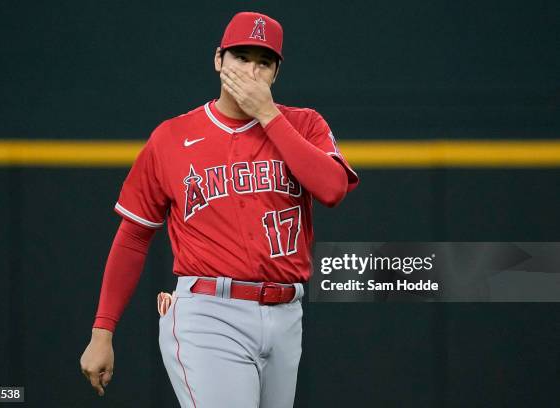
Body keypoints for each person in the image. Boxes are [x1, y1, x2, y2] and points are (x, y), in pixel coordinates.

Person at [80, 11, 359, 407]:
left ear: (276, 72)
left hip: (286, 314)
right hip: (209, 313)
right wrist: (102, 331)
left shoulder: (305, 124)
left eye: (264, 62)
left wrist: (268, 115)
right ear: (218, 60)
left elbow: (332, 189)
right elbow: (134, 235)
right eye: (241, 57)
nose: (251, 70)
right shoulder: (171, 137)